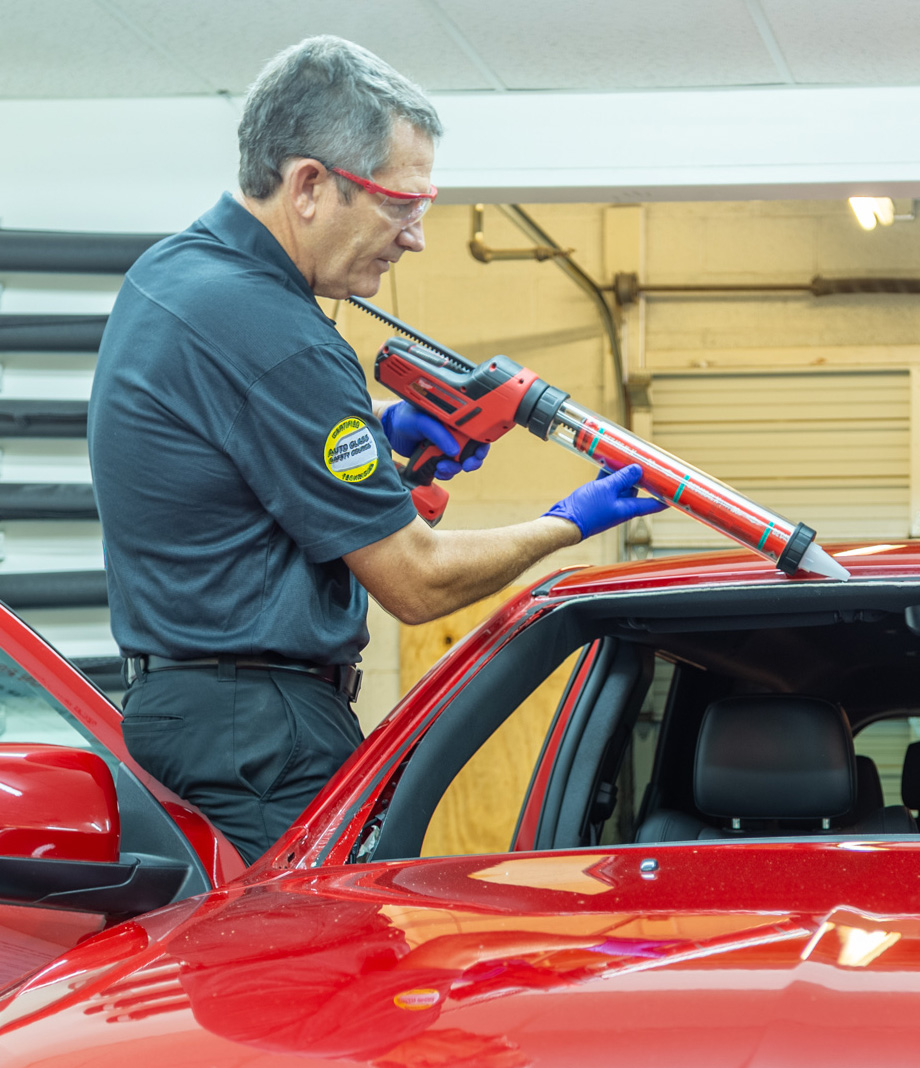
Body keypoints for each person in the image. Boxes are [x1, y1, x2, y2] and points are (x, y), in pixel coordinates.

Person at [88, 35, 663, 864]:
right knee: (310, 975)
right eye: (400, 206)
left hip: (198, 709)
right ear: (311, 185)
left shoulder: (172, 274)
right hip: (263, 734)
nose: (416, 237)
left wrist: (381, 429)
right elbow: (417, 581)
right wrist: (567, 523)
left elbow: (229, 446)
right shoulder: (281, 337)